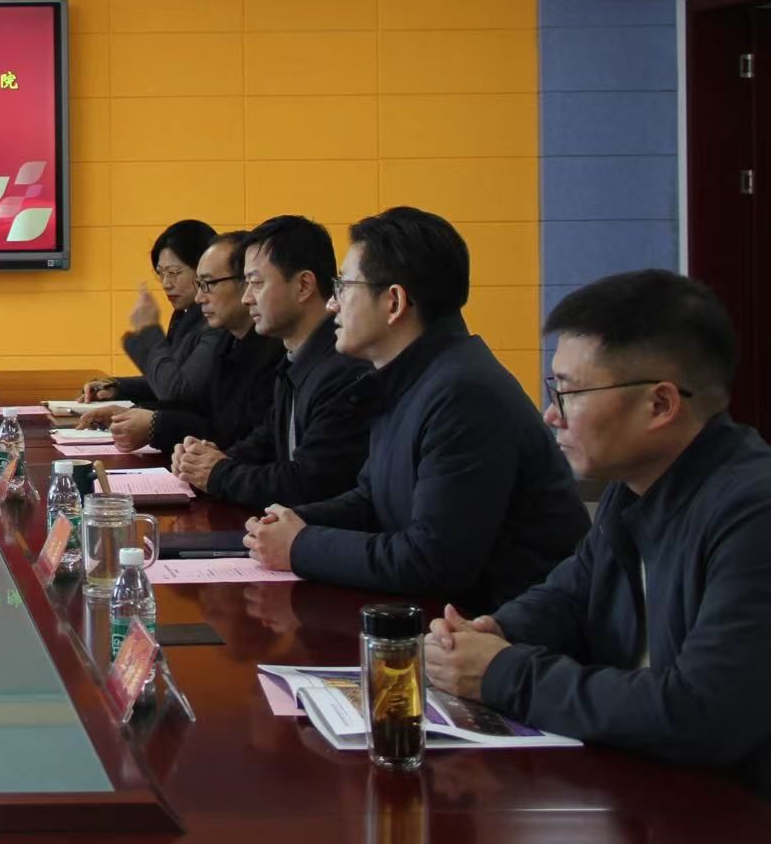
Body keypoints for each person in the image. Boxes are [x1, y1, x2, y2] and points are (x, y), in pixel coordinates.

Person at [425, 270, 771, 796]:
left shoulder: (753, 511)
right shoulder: (633, 486)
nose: (550, 414)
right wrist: (493, 632)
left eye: (568, 392)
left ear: (659, 405)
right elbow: (571, 595)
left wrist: (503, 673)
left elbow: (702, 713)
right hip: (641, 788)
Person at [244, 207, 587, 613]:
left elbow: (433, 560)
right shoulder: (409, 377)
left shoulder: (462, 393)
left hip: (501, 631)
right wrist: (290, 521)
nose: (332, 304)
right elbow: (373, 498)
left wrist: (301, 545)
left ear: (394, 302)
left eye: (344, 286)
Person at [176, 215, 372, 510]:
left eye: (256, 283)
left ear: (303, 285)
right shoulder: (294, 359)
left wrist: (218, 474)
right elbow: (265, 442)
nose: (246, 298)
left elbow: (310, 483)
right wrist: (207, 460)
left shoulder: (343, 369)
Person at [89, 231, 281, 456]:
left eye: (208, 284)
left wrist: (155, 424)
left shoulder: (272, 350)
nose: (200, 297)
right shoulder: (226, 338)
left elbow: (223, 428)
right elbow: (197, 407)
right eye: (160, 273)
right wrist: (134, 411)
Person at [81, 218, 217, 405]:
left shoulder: (216, 322)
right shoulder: (183, 316)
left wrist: (150, 330)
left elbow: (177, 392)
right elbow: (166, 378)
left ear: (205, 270)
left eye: (174, 272)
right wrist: (116, 387)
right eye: (160, 273)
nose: (166, 284)